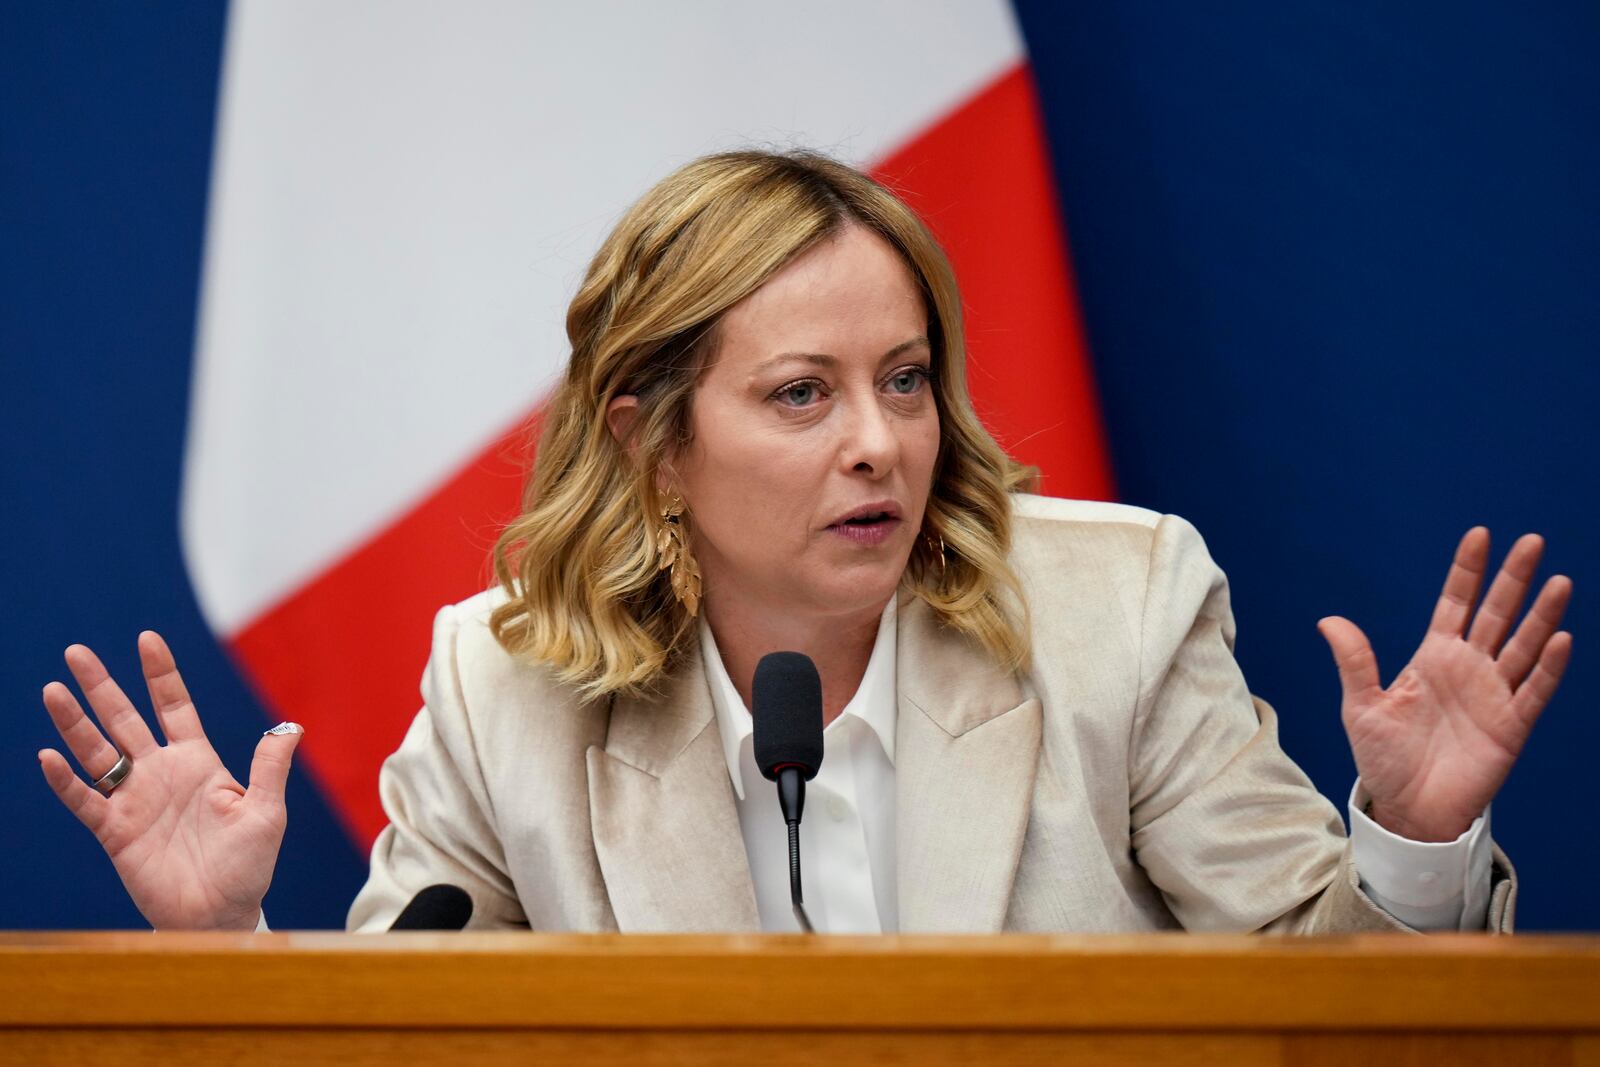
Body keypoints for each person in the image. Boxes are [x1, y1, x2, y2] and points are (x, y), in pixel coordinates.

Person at [38, 150, 1574, 934]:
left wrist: (1418, 843)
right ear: (650, 437)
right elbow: (417, 1024)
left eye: (906, 381)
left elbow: (1336, 1014)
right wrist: (231, 947)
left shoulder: (1118, 606)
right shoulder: (503, 685)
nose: (880, 443)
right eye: (801, 394)